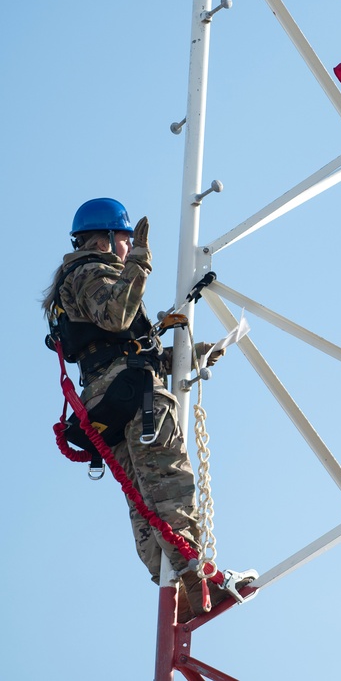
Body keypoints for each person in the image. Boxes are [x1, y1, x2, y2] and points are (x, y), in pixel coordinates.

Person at [43, 198, 228, 621]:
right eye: (125, 239)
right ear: (106, 238)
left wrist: (189, 355)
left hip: (114, 394)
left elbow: (120, 349)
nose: (129, 246)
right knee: (167, 483)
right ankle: (197, 582)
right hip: (134, 393)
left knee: (143, 497)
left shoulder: (79, 280)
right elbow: (116, 315)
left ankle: (173, 587)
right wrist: (141, 264)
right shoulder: (90, 270)